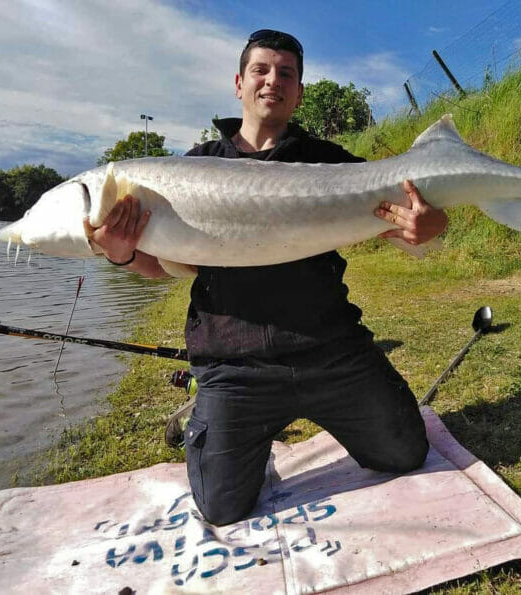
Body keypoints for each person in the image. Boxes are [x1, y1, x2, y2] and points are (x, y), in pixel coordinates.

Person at [90, 30, 449, 526]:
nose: (272, 81)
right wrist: (122, 255)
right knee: (221, 507)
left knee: (406, 453)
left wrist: (433, 226)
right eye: (261, 70)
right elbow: (159, 266)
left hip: (331, 349)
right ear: (239, 83)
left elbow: (407, 213)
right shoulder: (188, 169)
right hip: (234, 365)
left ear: (299, 91)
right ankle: (232, 436)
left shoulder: (331, 163)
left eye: (286, 73)